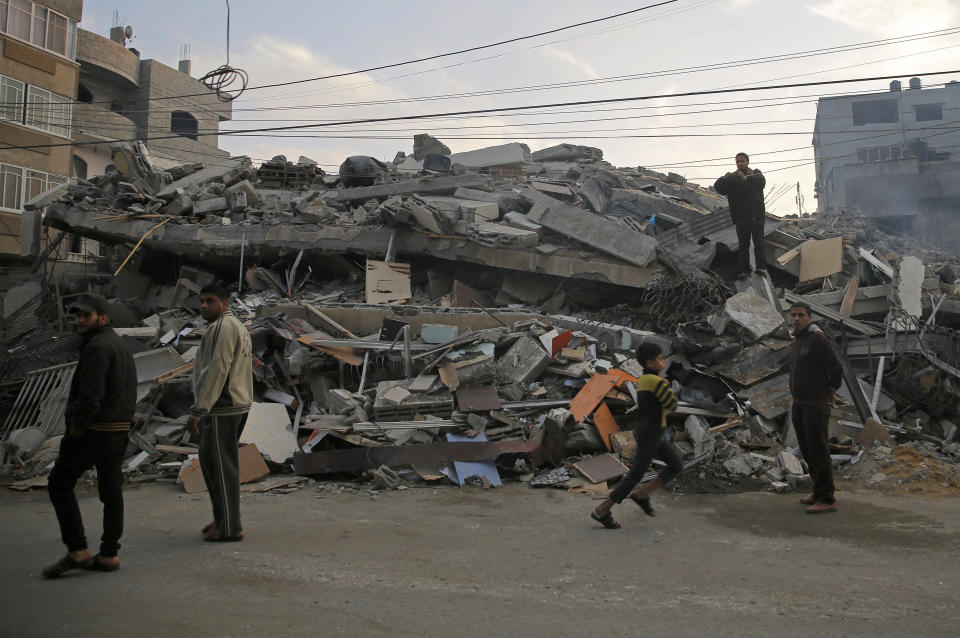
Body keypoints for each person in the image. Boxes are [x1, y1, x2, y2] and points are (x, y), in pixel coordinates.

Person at [43, 294, 136, 577]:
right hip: (118, 431)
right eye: (77, 316)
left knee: (59, 484)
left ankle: (78, 550)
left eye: (86, 315)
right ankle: (109, 554)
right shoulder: (120, 345)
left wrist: (75, 430)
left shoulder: (97, 346)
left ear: (103, 317)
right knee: (111, 492)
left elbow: (90, 397)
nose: (79, 321)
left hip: (94, 432)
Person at [591, 342, 683, 529]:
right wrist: (669, 387)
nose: (663, 363)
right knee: (635, 475)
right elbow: (672, 405)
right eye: (659, 359)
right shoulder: (656, 382)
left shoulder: (645, 379)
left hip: (652, 433)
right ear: (650, 363)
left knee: (675, 464)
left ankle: (643, 494)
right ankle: (602, 509)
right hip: (650, 434)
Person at [187, 284, 253, 542]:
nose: (204, 306)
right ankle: (222, 518)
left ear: (223, 303)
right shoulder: (234, 325)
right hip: (232, 403)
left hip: (222, 406)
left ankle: (230, 527)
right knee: (212, 463)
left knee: (222, 468)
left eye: (210, 301)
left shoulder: (224, 327)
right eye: (201, 301)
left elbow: (217, 368)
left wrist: (199, 409)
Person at [788, 302, 843, 514]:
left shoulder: (817, 339)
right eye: (793, 315)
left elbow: (836, 367)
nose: (796, 319)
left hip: (815, 404)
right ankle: (817, 491)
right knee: (807, 449)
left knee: (818, 450)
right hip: (800, 403)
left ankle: (827, 498)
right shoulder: (798, 340)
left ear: (809, 318)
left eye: (801, 315)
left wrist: (831, 388)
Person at [714, 152, 767, 277]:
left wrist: (746, 178)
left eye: (742, 161)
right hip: (741, 217)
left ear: (747, 162)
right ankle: (745, 270)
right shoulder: (733, 179)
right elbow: (718, 187)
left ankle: (761, 268)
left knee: (758, 242)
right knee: (743, 245)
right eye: (737, 161)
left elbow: (761, 182)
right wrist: (723, 178)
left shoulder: (755, 173)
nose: (739, 163)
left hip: (756, 215)